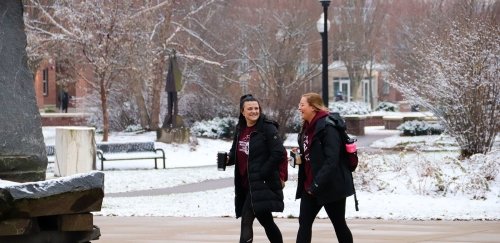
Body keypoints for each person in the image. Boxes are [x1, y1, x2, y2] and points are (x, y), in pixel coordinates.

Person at [295, 92, 354, 243]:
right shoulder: (306, 127)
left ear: (313, 107)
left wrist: (317, 184)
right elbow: (311, 154)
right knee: (304, 224)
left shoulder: (328, 127)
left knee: (339, 224)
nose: (299, 108)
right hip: (310, 187)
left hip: (331, 185)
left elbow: (332, 160)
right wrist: (299, 158)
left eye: (302, 105)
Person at [226, 94, 285, 243]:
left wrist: (264, 171)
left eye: (256, 108)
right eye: (250, 109)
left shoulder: (267, 128)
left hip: (261, 183)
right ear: (242, 111)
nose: (254, 111)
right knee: (266, 221)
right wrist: (228, 159)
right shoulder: (240, 129)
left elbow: (278, 152)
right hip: (246, 183)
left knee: (246, 219)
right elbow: (235, 152)